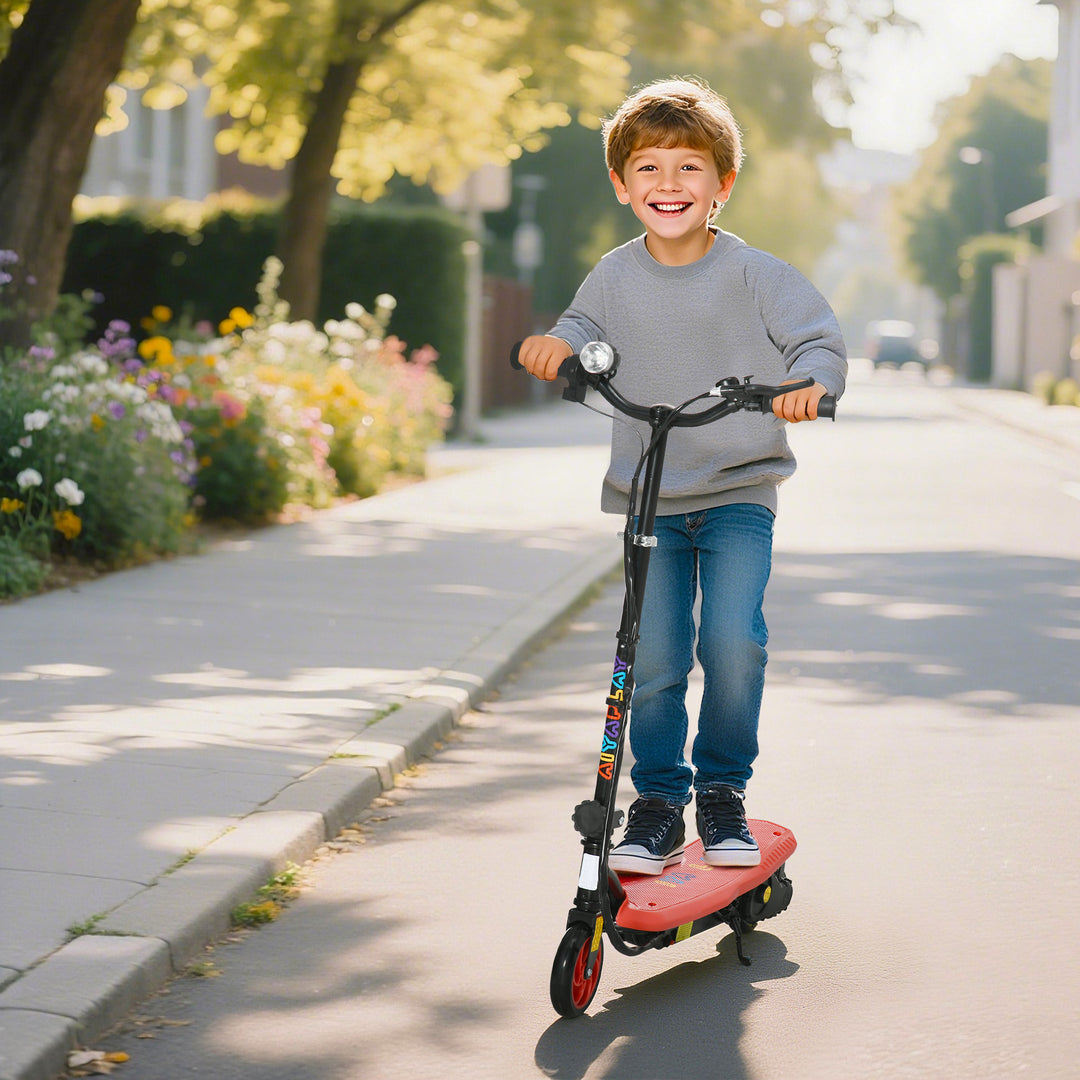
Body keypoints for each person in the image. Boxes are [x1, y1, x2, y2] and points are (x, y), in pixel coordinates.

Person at [517, 77, 846, 874]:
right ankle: (659, 801)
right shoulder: (614, 274)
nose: (669, 185)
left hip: (737, 493)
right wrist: (554, 347)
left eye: (689, 168)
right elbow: (579, 328)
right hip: (650, 500)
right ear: (622, 184)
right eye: (650, 169)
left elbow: (818, 341)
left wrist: (812, 385)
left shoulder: (754, 273)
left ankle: (722, 793)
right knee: (655, 656)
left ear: (722, 184)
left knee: (734, 643)